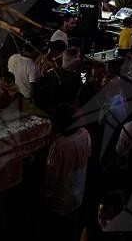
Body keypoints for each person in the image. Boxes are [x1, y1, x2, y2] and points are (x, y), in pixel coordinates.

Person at [41, 103, 91, 241]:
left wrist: (45, 194)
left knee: (60, 230)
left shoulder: (59, 146)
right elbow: (88, 155)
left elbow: (51, 176)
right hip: (79, 192)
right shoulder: (84, 134)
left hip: (61, 199)